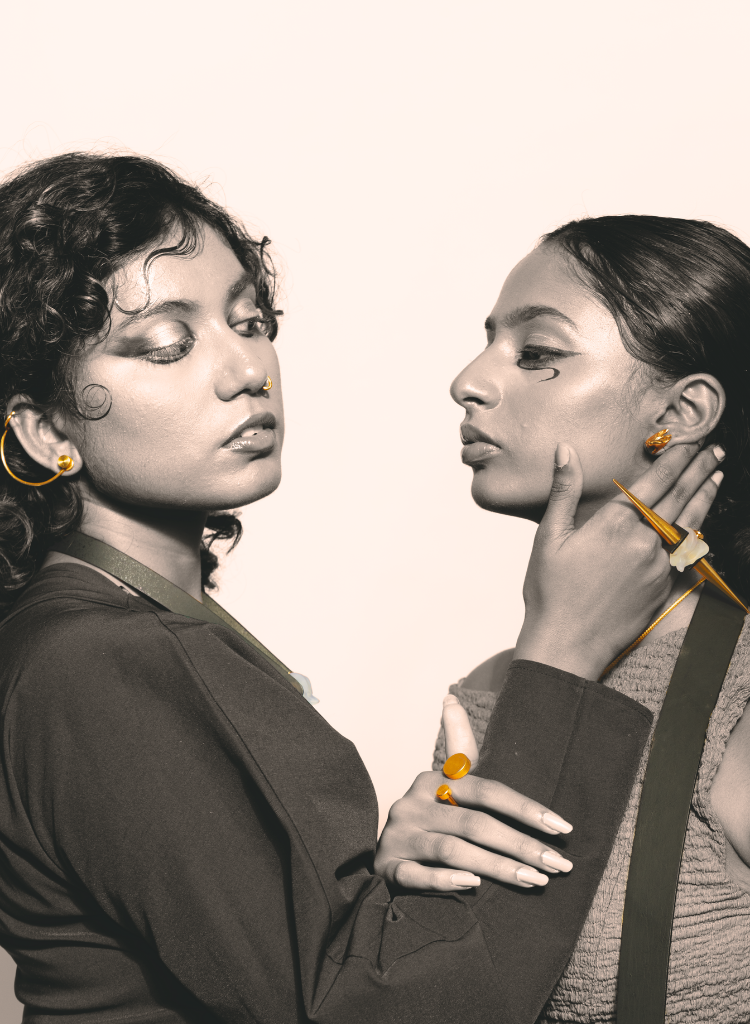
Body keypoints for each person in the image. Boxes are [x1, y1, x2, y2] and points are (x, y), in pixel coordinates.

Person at [0, 154, 720, 1024]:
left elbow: (306, 957)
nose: (246, 369)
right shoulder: (102, 657)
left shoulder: (112, 629)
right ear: (44, 431)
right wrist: (561, 649)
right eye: (166, 345)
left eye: (249, 320)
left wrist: (395, 869)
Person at [436, 214, 750, 1021]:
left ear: (684, 410)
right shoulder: (488, 691)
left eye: (537, 353)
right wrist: (397, 889)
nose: (468, 381)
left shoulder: (739, 693)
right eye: (489, 342)